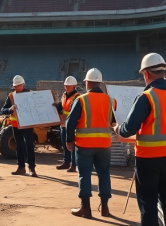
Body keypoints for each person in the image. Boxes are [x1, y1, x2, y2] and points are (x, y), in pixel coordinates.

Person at [114, 53, 166, 226]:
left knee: (147, 203)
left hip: (148, 159)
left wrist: (118, 129)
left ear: (147, 74)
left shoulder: (146, 97)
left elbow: (129, 129)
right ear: (163, 72)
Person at [65, 68, 116, 218]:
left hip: (85, 145)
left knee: (84, 175)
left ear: (87, 83)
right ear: (99, 83)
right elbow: (113, 121)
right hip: (104, 145)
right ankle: (105, 207)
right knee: (104, 174)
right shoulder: (110, 100)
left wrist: (69, 141)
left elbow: (70, 123)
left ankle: (85, 208)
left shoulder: (81, 100)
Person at [1, 75, 37, 177]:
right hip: (16, 126)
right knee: (19, 146)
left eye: (19, 86)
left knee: (29, 146)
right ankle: (21, 167)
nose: (17, 88)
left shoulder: (30, 94)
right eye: (15, 86)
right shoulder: (11, 96)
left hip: (27, 125)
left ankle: (32, 168)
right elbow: (3, 109)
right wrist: (9, 109)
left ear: (23, 84)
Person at [54, 76, 80, 172]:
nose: (67, 87)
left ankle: (73, 164)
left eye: (69, 86)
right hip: (63, 124)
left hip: (72, 125)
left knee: (72, 144)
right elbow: (62, 105)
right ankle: (66, 162)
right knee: (65, 144)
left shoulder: (77, 97)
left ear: (74, 86)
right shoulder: (64, 95)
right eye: (65, 86)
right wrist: (57, 106)